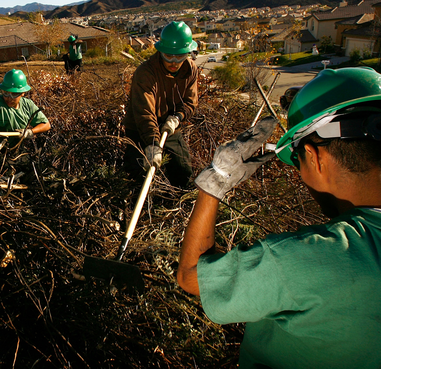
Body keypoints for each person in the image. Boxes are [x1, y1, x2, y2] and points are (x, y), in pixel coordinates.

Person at [176, 67, 381, 368]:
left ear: (314, 157)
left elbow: (191, 275)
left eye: (297, 160)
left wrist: (212, 185)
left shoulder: (304, 260)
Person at [122, 21, 199, 188]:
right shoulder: (145, 72)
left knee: (182, 170)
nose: (174, 61)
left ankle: (177, 202)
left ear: (188, 53)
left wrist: (178, 118)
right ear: (160, 51)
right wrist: (153, 144)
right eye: (168, 55)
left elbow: (190, 101)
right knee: (137, 171)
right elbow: (144, 111)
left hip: (170, 125)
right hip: (140, 127)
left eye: (180, 56)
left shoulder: (190, 70)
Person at [0, 69, 50, 143]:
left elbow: (46, 125)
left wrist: (30, 132)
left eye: (14, 94)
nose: (9, 98)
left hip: (17, 149)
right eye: (6, 93)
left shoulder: (28, 105)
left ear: (22, 93)